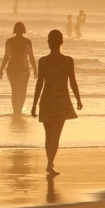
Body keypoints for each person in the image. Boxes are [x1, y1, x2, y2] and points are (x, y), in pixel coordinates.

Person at [31, 30, 83, 175]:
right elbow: (73, 82)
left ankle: (50, 162)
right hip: (61, 101)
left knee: (49, 135)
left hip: (46, 101)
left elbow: (39, 84)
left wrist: (34, 104)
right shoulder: (68, 61)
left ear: (48, 43)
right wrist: (78, 99)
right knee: (55, 135)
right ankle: (49, 164)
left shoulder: (43, 61)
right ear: (61, 42)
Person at [0, 22, 38, 116]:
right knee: (22, 92)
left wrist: (1, 69)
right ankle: (19, 111)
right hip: (23, 70)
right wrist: (35, 69)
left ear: (15, 30)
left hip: (11, 70)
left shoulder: (9, 41)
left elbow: (6, 56)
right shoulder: (27, 42)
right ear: (24, 30)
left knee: (14, 92)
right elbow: (31, 57)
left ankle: (15, 111)